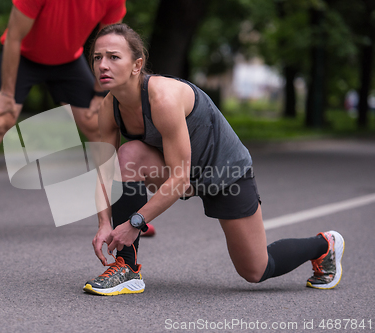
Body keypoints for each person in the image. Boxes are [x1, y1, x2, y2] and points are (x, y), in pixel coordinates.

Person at [82, 23, 345, 296]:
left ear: (137, 65)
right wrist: (104, 223)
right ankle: (127, 268)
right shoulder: (109, 107)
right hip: (178, 171)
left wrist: (135, 223)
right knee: (128, 154)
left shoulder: (163, 98)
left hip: (224, 173)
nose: (103, 65)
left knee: (255, 270)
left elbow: (180, 178)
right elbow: (104, 169)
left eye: (114, 57)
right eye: (97, 57)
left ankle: (324, 245)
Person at [0, 0, 127, 238]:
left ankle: (125, 215)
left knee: (99, 125)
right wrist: (5, 94)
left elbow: (111, 45)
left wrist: (99, 93)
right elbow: (13, 37)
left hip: (68, 62)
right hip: (22, 57)